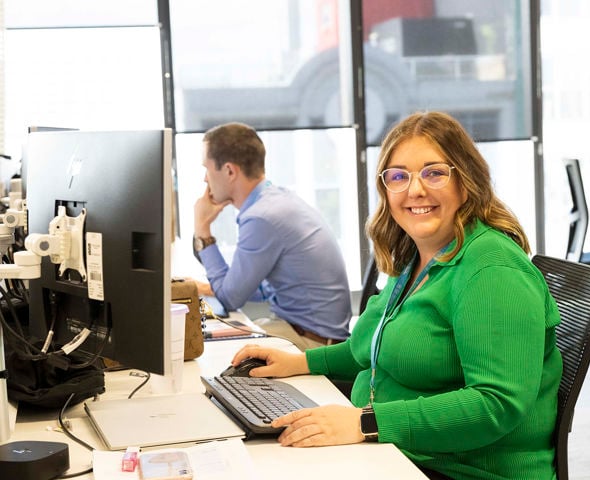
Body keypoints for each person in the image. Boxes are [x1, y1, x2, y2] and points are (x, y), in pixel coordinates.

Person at [228, 111, 563, 479]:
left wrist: (364, 423)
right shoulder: (422, 255)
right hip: (397, 453)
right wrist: (300, 363)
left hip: (459, 470)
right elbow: (373, 346)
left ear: (466, 182)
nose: (415, 190)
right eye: (399, 176)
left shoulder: (491, 269)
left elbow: (496, 404)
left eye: (434, 173)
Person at [193, 122, 351, 349]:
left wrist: (202, 230)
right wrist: (212, 287)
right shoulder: (274, 200)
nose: (205, 179)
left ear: (229, 171)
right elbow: (265, 288)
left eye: (206, 169)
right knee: (221, 337)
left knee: (216, 347)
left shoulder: (261, 217)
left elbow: (230, 299)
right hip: (303, 329)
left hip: (312, 342)